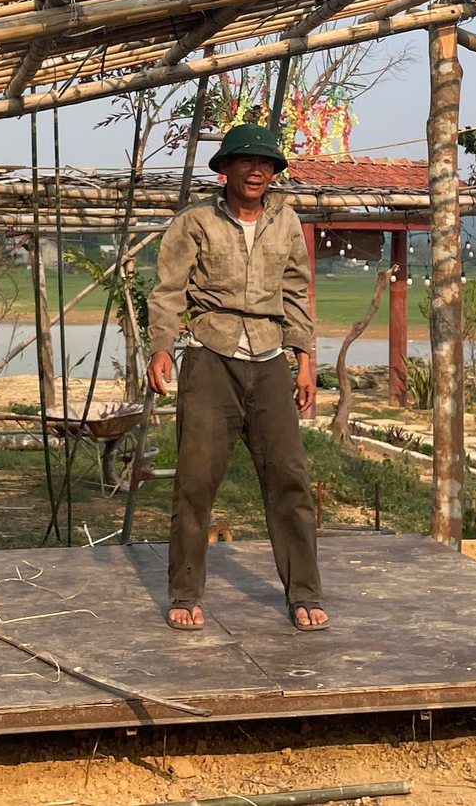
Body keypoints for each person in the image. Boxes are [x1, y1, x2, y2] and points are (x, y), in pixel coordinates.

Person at [146, 123, 328, 633]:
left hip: (271, 361)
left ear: (274, 173)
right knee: (196, 481)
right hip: (211, 357)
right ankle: (184, 592)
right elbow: (167, 291)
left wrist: (305, 359)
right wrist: (162, 347)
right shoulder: (195, 221)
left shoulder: (286, 222)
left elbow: (296, 292)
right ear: (224, 168)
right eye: (245, 161)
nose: (256, 170)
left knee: (289, 478)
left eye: (266, 163)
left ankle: (305, 592)